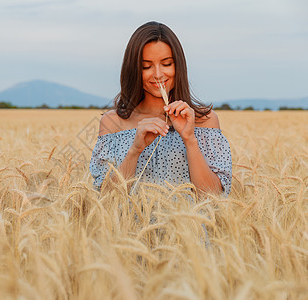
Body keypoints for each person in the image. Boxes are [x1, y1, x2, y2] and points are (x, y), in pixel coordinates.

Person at [89, 21, 232, 195]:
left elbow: (214, 197)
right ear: (134, 70)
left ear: (178, 66)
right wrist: (135, 149)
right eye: (146, 66)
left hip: (188, 222)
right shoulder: (113, 122)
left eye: (166, 64)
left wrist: (190, 139)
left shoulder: (205, 120)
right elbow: (106, 199)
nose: (158, 74)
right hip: (131, 223)